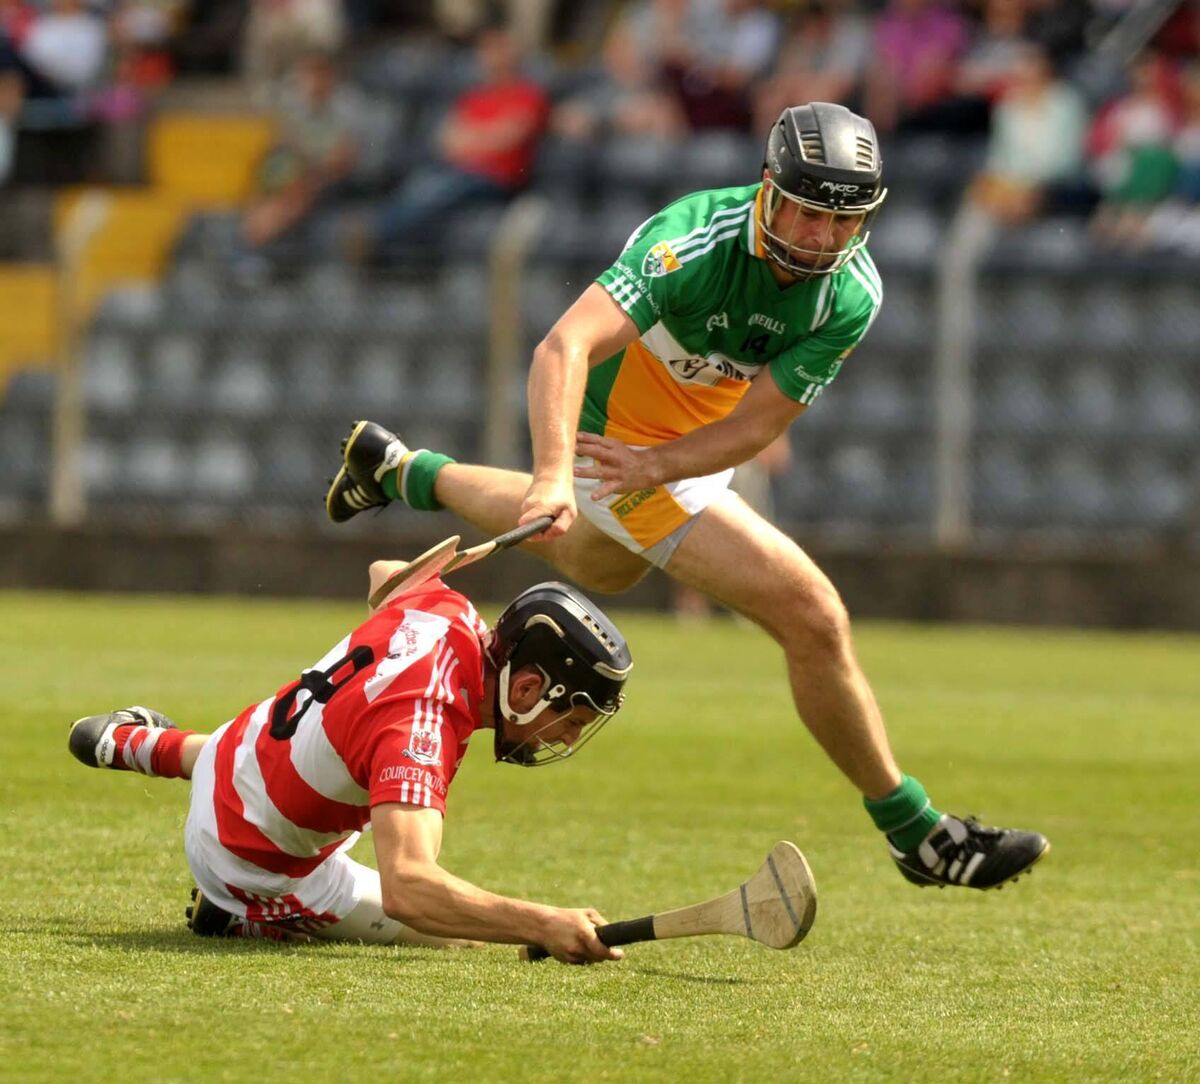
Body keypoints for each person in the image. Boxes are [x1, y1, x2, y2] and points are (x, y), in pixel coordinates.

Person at [327, 101, 1050, 891]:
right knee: (813, 616)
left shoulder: (851, 295)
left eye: (844, 222)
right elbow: (562, 345)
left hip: (670, 454)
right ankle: (920, 834)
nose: (822, 238)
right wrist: (556, 469)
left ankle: (399, 470)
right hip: (610, 428)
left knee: (600, 565)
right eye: (807, 213)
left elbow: (757, 425)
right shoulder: (692, 243)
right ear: (769, 190)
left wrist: (660, 465)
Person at [67, 571, 633, 964]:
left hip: (242, 749)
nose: (569, 736)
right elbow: (410, 889)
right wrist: (541, 923)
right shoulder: (420, 729)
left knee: (289, 752)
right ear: (529, 688)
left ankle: (129, 743)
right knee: (464, 941)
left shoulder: (444, 606)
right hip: (250, 858)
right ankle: (241, 913)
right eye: (574, 718)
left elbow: (384, 570)